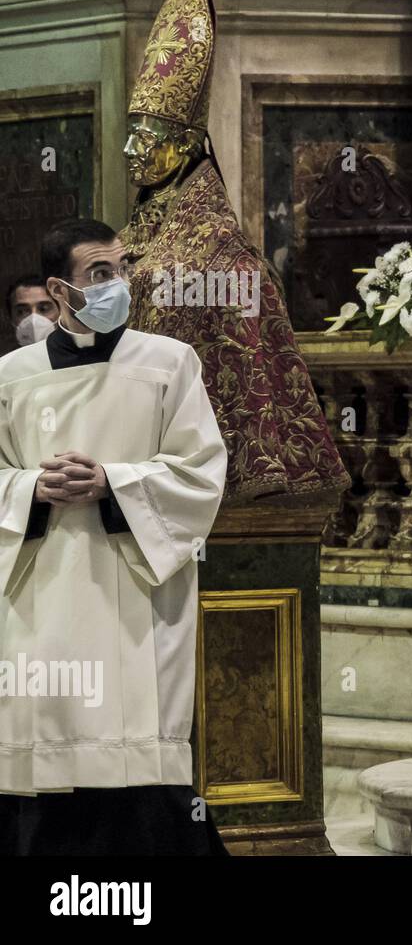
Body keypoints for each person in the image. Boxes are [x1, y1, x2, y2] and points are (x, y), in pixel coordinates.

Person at [0, 218, 227, 854]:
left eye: (121, 270)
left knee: (137, 769)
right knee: (46, 761)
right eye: (99, 274)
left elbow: (201, 472)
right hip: (39, 598)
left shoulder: (168, 362)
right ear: (59, 288)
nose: (117, 285)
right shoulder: (11, 375)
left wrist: (114, 482)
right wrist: (29, 491)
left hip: (136, 598)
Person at [120, 0, 347, 503]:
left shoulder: (225, 261)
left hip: (204, 473)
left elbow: (242, 369)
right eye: (129, 134)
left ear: (183, 146)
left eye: (146, 137)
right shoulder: (125, 244)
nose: (131, 150)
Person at [6, 275, 58, 348]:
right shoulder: (6, 359)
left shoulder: (77, 357)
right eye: (22, 311)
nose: (34, 320)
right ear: (11, 319)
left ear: (61, 313)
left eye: (43, 309)